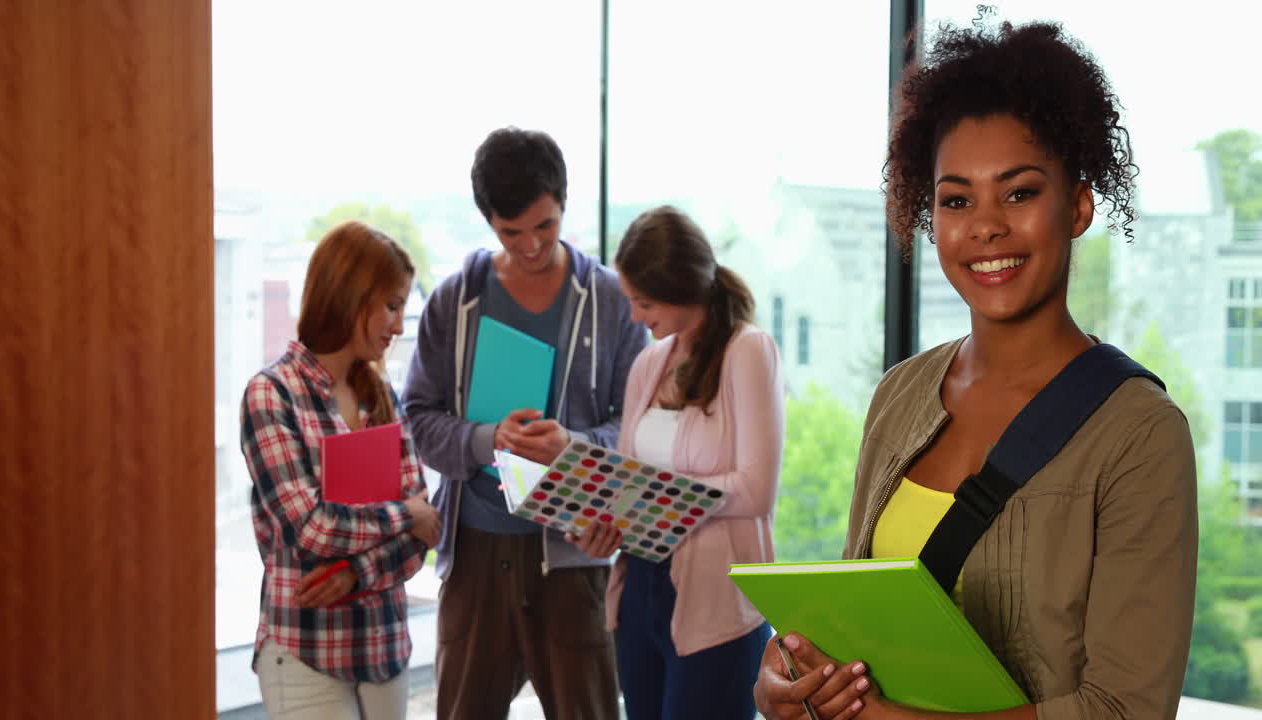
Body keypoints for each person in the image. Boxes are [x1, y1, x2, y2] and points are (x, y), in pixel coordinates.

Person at [753, 18, 1198, 720]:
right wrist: (792, 677)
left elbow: (1127, 708)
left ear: (1077, 205)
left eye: (1019, 192)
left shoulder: (1140, 436)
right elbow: (849, 612)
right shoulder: (899, 395)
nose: (985, 226)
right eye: (956, 200)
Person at [402, 126, 647, 719]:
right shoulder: (455, 301)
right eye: (511, 233)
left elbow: (639, 426)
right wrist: (488, 440)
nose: (532, 245)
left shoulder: (611, 301)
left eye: (545, 226)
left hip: (573, 552)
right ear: (487, 220)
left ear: (564, 205)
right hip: (477, 548)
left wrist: (576, 444)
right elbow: (419, 417)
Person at [569, 205, 784, 720]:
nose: (638, 318)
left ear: (684, 285)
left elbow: (757, 490)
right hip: (641, 590)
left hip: (719, 604)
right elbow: (625, 478)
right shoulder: (649, 363)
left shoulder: (748, 350)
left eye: (645, 303)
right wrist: (601, 521)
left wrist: (660, 495)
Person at [240, 220, 442, 720]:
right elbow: (312, 530)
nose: (399, 325)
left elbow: (426, 534)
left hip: (384, 650)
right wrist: (404, 514)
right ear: (351, 296)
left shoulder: (382, 394)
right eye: (391, 306)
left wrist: (357, 572)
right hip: (307, 651)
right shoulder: (272, 393)